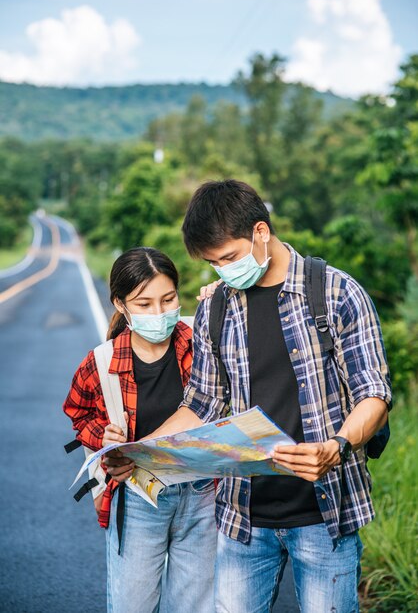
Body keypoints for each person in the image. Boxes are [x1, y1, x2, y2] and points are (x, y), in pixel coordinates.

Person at [107, 180, 392, 613]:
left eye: (230, 257)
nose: (223, 270)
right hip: (242, 519)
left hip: (323, 514)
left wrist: (336, 446)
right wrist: (144, 452)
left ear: (261, 231)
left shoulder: (335, 293)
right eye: (213, 263)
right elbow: (201, 403)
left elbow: (373, 393)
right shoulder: (215, 308)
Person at [63, 247, 217, 613]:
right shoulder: (102, 361)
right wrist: (103, 437)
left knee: (195, 605)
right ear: (121, 304)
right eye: (144, 304)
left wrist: (223, 300)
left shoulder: (201, 339)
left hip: (202, 494)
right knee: (133, 603)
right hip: (138, 497)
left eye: (168, 299)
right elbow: (77, 411)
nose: (159, 313)